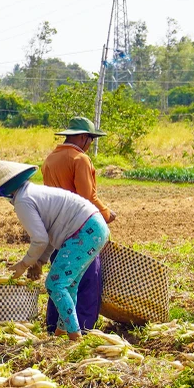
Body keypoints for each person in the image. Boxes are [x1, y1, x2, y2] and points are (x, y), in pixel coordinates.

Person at [0, 160, 110, 342]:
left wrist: (24, 263)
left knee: (55, 284)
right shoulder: (33, 192)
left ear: (6, 190)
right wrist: (40, 261)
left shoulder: (23, 200)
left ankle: (75, 338)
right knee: (69, 285)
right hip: (95, 227)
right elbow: (50, 234)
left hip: (83, 231)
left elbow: (40, 239)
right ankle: (60, 333)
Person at [41, 116, 116, 333]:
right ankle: (81, 327)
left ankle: (54, 326)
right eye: (90, 139)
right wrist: (107, 214)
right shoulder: (80, 160)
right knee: (86, 282)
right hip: (80, 229)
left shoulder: (50, 159)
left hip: (57, 229)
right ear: (83, 138)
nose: (90, 144)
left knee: (60, 280)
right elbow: (87, 197)